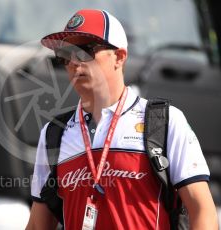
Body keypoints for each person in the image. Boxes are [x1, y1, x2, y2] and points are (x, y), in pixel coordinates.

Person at [26, 9, 218, 230]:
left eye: (85, 51)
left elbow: (203, 213)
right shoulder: (54, 133)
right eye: (66, 55)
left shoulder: (164, 121)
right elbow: (37, 225)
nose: (74, 63)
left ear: (119, 57)